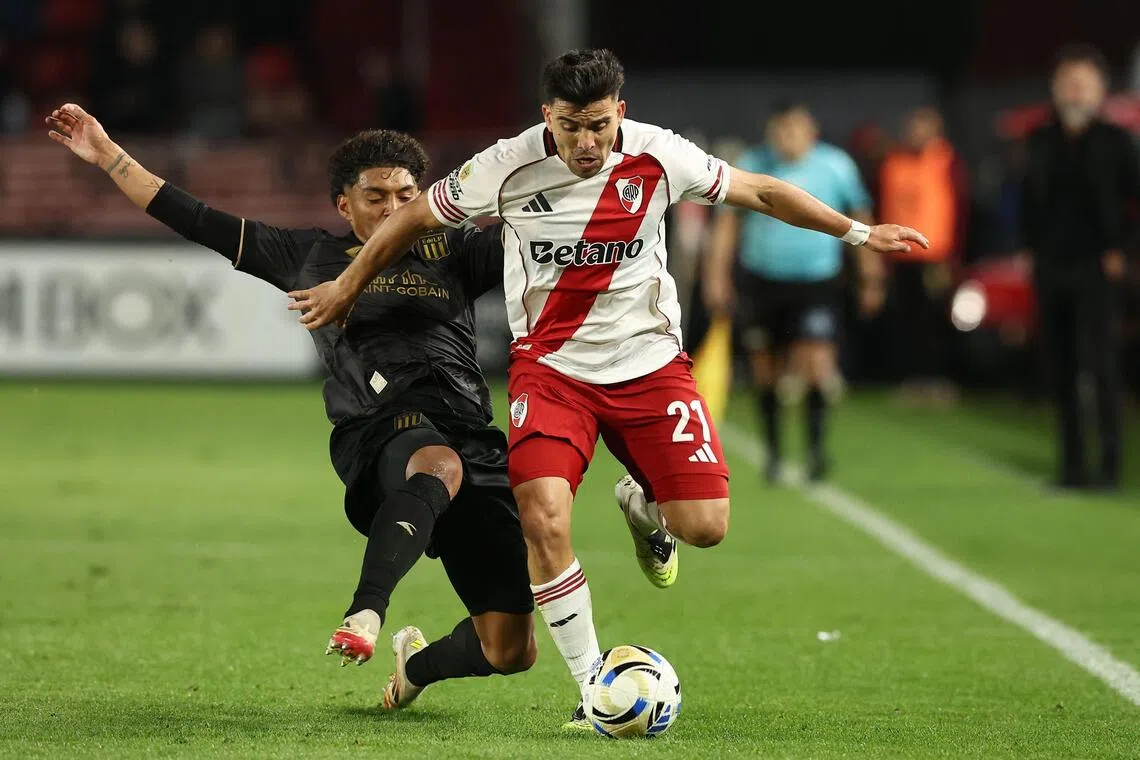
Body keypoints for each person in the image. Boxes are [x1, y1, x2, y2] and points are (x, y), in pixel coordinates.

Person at [286, 49, 928, 727]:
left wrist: (859, 231)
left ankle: (643, 506)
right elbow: (414, 219)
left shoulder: (659, 156)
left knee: (704, 527)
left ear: (618, 112)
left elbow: (761, 192)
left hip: (650, 367)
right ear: (547, 118)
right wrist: (346, 284)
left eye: (598, 125)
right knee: (543, 514)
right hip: (552, 373)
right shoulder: (504, 166)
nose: (586, 143)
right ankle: (595, 691)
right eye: (570, 127)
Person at [45, 103, 539, 709]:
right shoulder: (308, 256)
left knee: (510, 648)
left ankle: (416, 670)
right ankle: (366, 610)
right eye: (375, 196)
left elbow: (545, 234)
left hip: (471, 432)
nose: (392, 209)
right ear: (343, 204)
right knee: (437, 464)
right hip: (380, 429)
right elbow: (197, 218)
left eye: (406, 195)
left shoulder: (458, 253)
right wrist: (108, 156)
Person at [703, 103, 878, 483]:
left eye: (795, 129)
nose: (787, 138)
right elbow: (727, 223)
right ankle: (774, 454)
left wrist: (870, 275)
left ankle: (815, 453)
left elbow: (858, 216)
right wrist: (717, 276)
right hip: (763, 282)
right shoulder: (754, 163)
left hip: (817, 283)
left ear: (811, 130)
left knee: (817, 365)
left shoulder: (836, 166)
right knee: (766, 371)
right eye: (780, 131)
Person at [1019, 44, 1140, 490]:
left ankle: (1109, 467)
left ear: (1100, 90)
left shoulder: (1118, 142)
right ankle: (1071, 466)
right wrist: (1029, 248)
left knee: (1103, 367)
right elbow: (1028, 201)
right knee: (1062, 368)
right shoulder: (1040, 139)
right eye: (1068, 82)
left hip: (1097, 268)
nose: (1075, 91)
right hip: (1052, 267)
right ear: (1055, 88)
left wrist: (1122, 251)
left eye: (1084, 84)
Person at [877, 106, 968, 406]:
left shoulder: (947, 161)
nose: (917, 132)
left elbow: (962, 210)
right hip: (900, 255)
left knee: (935, 321)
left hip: (935, 255)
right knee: (907, 320)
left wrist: (953, 258)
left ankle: (937, 380)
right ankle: (912, 380)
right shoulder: (893, 162)